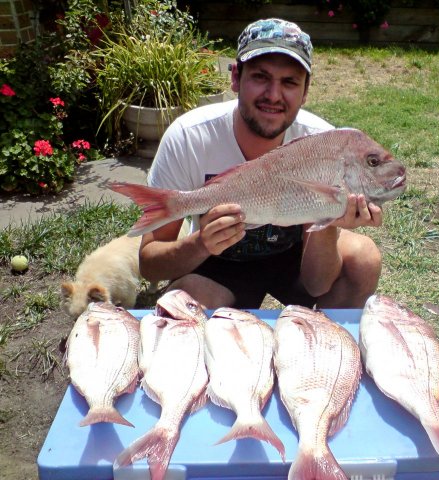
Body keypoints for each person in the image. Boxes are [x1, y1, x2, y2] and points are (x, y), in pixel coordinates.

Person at [139, 18, 386, 309]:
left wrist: (329, 223)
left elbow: (316, 283)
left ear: (305, 91)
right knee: (188, 299)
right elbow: (149, 265)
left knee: (363, 259)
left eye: (290, 82)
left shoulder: (323, 143)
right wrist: (201, 243)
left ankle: (325, 347)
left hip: (295, 257)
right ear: (235, 78)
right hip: (219, 262)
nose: (273, 95)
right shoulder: (189, 137)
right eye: (260, 77)